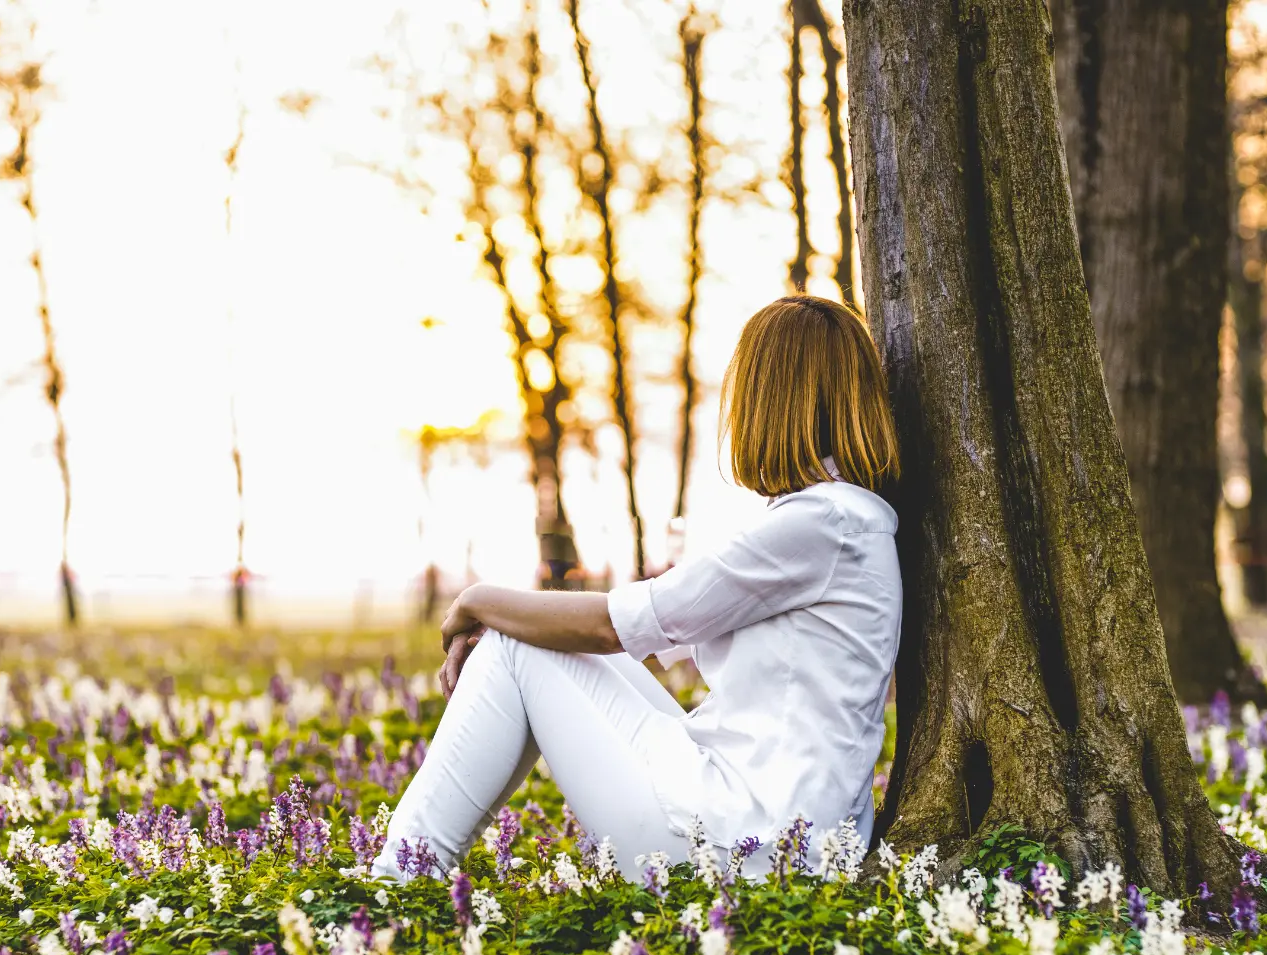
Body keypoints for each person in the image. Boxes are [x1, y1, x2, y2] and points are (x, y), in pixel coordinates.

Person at [370, 295, 902, 882]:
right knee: (528, 638)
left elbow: (614, 626)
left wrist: (479, 601)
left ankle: (397, 877)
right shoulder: (840, 521)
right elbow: (642, 628)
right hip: (771, 825)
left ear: (767, 400)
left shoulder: (822, 525)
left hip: (746, 842)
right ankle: (406, 869)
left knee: (514, 646)